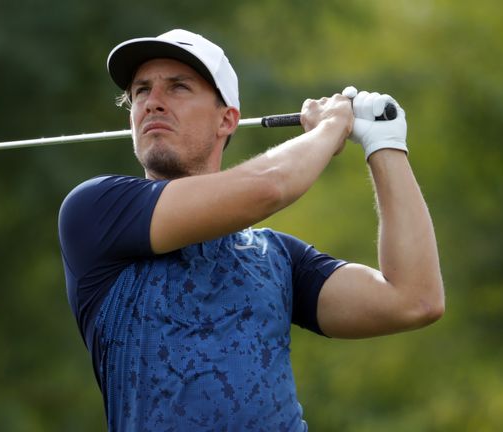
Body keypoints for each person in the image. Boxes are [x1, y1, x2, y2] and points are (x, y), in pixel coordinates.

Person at [58, 29, 444, 431]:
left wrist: (386, 144)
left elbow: (414, 300)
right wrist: (328, 129)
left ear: (227, 120)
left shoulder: (275, 258)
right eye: (141, 91)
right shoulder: (95, 210)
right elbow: (268, 186)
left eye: (178, 88)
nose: (152, 103)